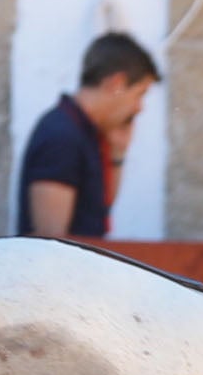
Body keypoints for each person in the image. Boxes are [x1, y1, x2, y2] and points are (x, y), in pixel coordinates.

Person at [20, 30, 156, 238]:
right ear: (117, 84)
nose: (139, 108)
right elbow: (49, 239)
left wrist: (117, 153)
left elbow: (100, 211)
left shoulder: (86, 131)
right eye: (139, 94)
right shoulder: (61, 135)